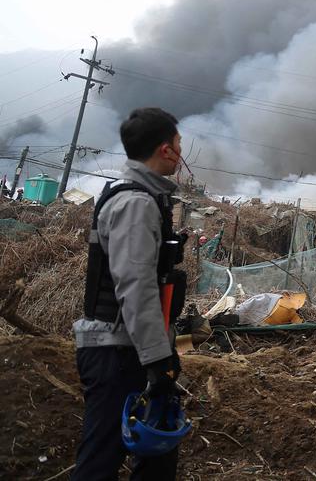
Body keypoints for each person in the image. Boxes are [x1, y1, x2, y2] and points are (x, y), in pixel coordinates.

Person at [72, 108, 187, 480]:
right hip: (118, 352)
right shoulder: (136, 204)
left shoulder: (142, 197)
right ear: (165, 149)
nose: (181, 151)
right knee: (100, 462)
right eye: (179, 143)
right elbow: (136, 287)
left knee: (157, 456)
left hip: (130, 347)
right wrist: (158, 360)